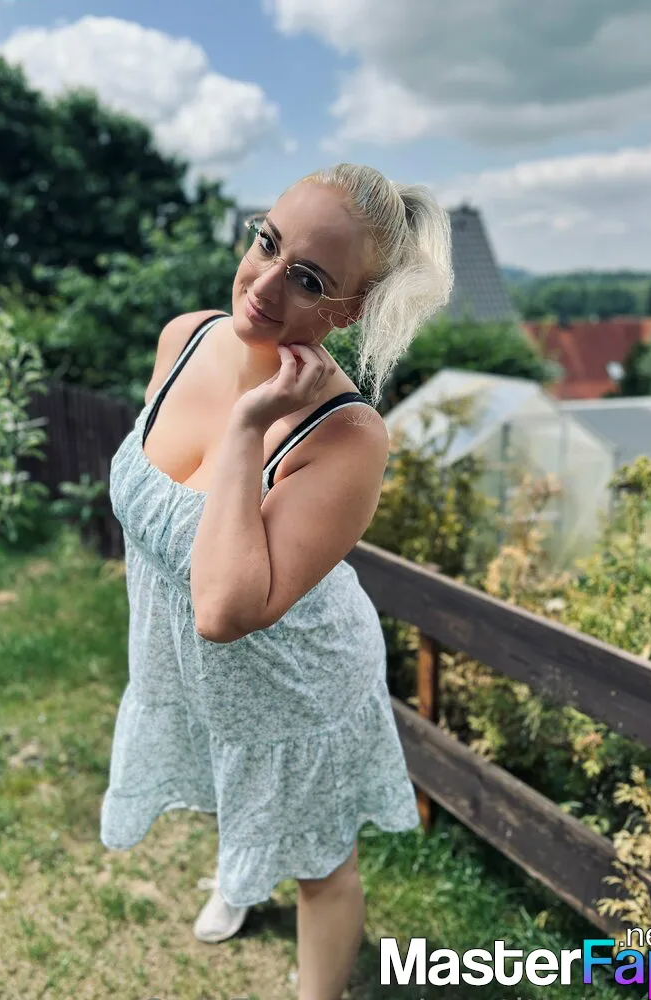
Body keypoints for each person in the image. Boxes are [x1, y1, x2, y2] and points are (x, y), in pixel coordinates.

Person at [101, 162, 453, 1000]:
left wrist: (246, 427)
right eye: (267, 243)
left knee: (321, 867)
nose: (262, 287)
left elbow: (226, 608)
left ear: (350, 310)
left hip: (296, 686)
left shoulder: (347, 435)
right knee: (234, 799)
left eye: (309, 280)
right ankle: (239, 874)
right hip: (193, 675)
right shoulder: (185, 338)